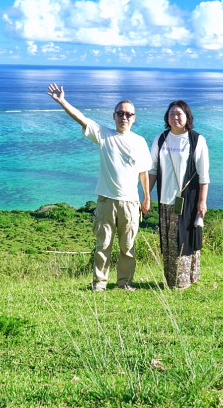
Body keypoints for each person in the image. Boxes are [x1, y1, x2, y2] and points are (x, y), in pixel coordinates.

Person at [47, 83, 152, 291]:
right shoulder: (104, 135)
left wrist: (146, 197)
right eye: (120, 113)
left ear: (134, 118)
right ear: (114, 116)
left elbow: (144, 172)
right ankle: (99, 284)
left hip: (130, 202)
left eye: (129, 114)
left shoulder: (140, 142)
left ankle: (124, 283)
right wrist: (62, 101)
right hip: (106, 200)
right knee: (103, 246)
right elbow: (81, 118)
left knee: (128, 247)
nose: (124, 117)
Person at [148, 100, 209, 289]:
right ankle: (171, 280)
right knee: (168, 241)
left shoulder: (196, 140)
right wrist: (146, 196)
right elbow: (152, 170)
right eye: (172, 114)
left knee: (184, 237)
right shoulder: (161, 138)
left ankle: (185, 279)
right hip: (165, 199)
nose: (175, 117)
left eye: (179, 114)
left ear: (187, 117)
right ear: (167, 117)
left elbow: (204, 174)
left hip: (187, 199)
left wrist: (202, 202)